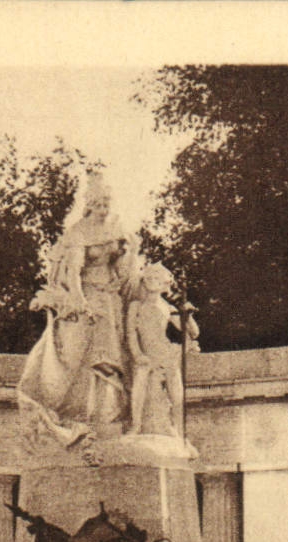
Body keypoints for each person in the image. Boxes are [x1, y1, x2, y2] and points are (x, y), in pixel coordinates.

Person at [17, 173, 137, 459]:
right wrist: (82, 303)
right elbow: (73, 273)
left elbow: (123, 269)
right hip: (88, 297)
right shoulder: (79, 232)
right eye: (99, 203)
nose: (104, 208)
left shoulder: (117, 227)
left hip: (111, 298)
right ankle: (82, 414)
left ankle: (109, 414)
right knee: (85, 356)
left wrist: (133, 251)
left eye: (107, 202)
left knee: (112, 358)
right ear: (90, 204)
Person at [126, 262, 196, 438]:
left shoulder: (168, 308)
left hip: (165, 352)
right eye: (149, 277)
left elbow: (193, 333)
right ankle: (136, 426)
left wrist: (188, 316)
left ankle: (179, 431)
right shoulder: (136, 305)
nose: (151, 280)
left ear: (164, 283)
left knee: (177, 394)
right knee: (139, 386)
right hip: (145, 354)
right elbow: (130, 334)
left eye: (156, 277)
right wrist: (137, 354)